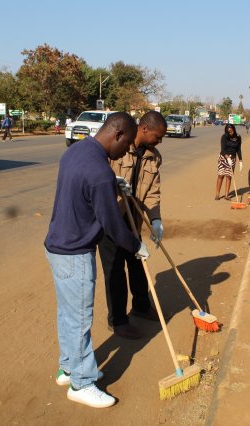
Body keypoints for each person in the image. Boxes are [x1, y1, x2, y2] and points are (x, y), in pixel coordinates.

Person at [43, 112, 149, 408]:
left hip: (56, 246)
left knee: (67, 315)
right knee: (79, 319)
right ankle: (81, 383)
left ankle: (69, 367)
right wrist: (136, 246)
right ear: (117, 135)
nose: (126, 150)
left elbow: (84, 182)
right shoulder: (100, 173)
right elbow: (113, 225)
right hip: (75, 252)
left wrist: (112, 183)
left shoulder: (77, 150)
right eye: (126, 143)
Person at [99, 111, 167, 339]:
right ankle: (117, 320)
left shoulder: (153, 157)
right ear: (145, 129)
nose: (160, 141)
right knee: (115, 271)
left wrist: (155, 219)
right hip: (111, 221)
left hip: (133, 219)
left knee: (138, 265)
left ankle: (140, 305)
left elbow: (153, 191)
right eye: (158, 136)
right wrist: (113, 187)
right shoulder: (116, 149)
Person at [215, 123, 243, 200]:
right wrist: (227, 157)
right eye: (228, 132)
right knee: (221, 175)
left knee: (229, 176)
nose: (230, 133)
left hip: (233, 159)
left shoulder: (238, 137)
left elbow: (238, 149)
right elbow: (223, 149)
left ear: (234, 129)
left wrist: (240, 160)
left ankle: (226, 195)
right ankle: (217, 194)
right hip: (223, 158)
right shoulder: (224, 137)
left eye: (231, 131)